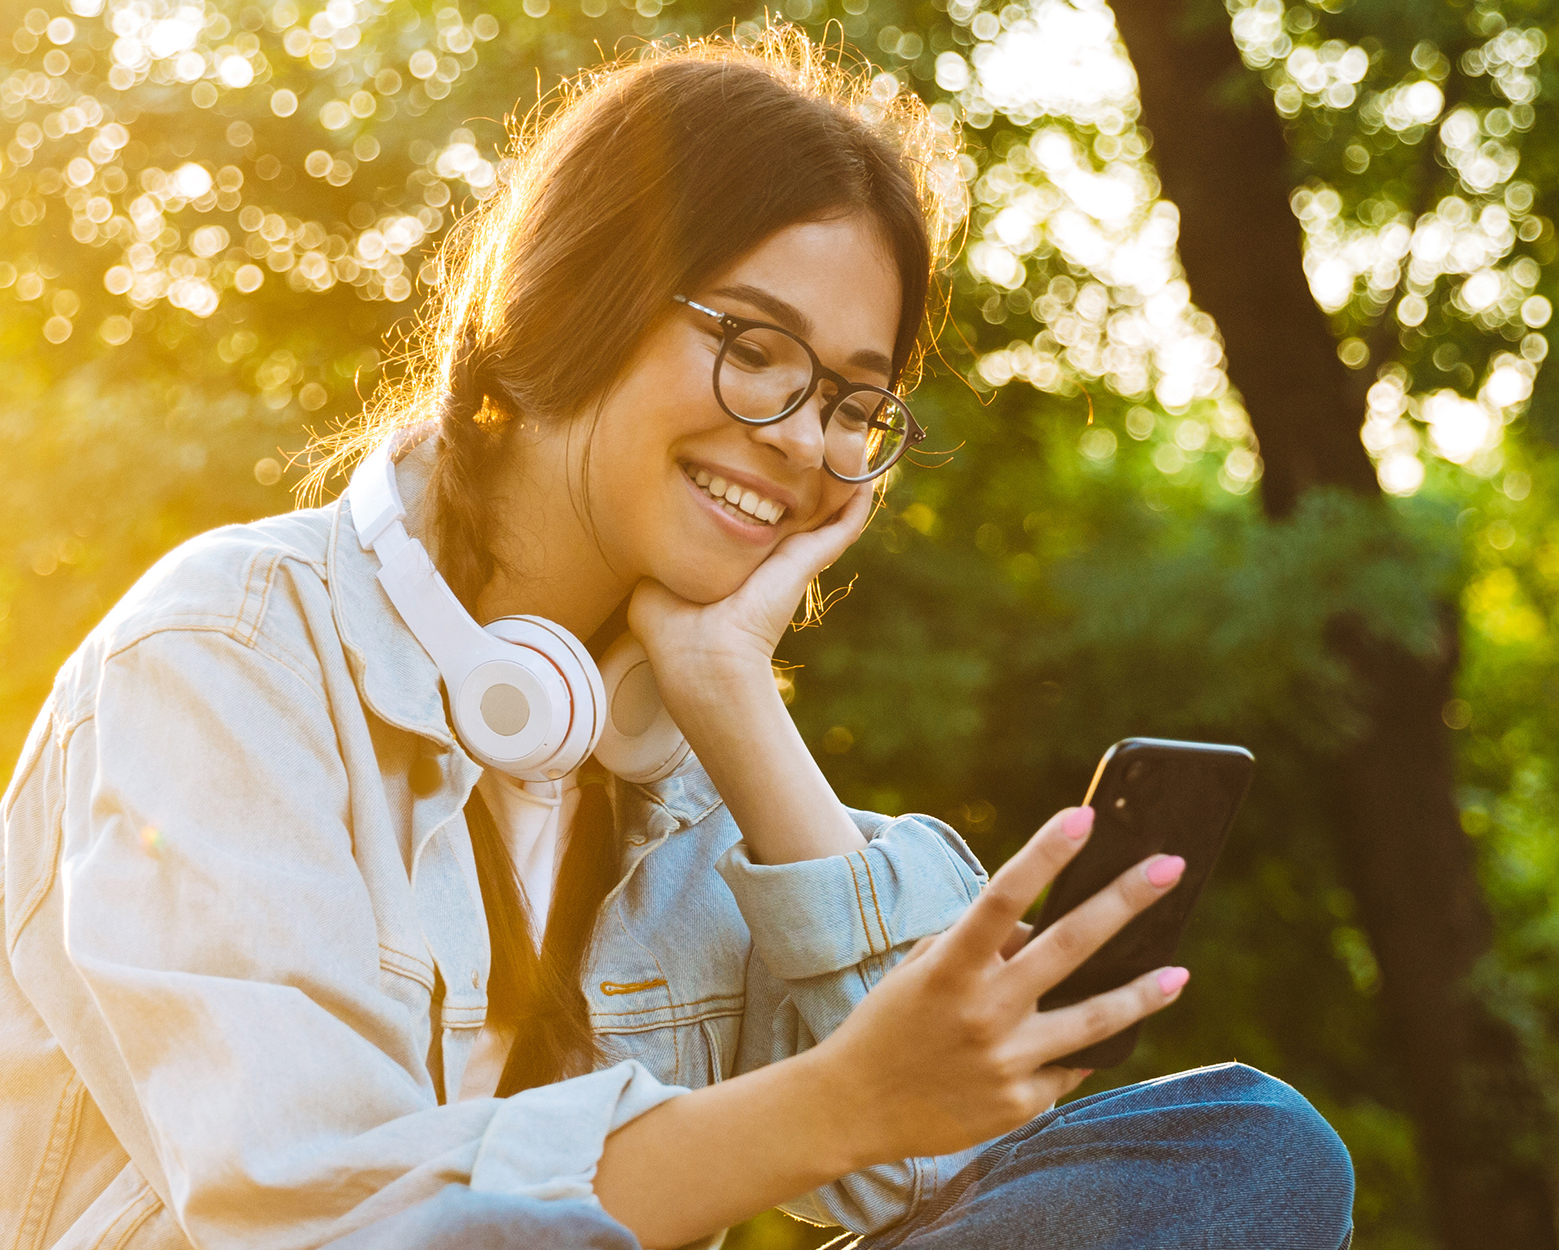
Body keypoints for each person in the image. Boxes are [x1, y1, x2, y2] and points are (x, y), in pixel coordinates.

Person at [0, 29, 1354, 1250]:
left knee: (1244, 1150)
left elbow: (968, 1167)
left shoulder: (681, 754)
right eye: (752, 344)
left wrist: (730, 697)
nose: (797, 434)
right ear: (565, 297)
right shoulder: (220, 656)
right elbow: (323, 1226)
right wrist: (824, 1109)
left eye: (852, 401)